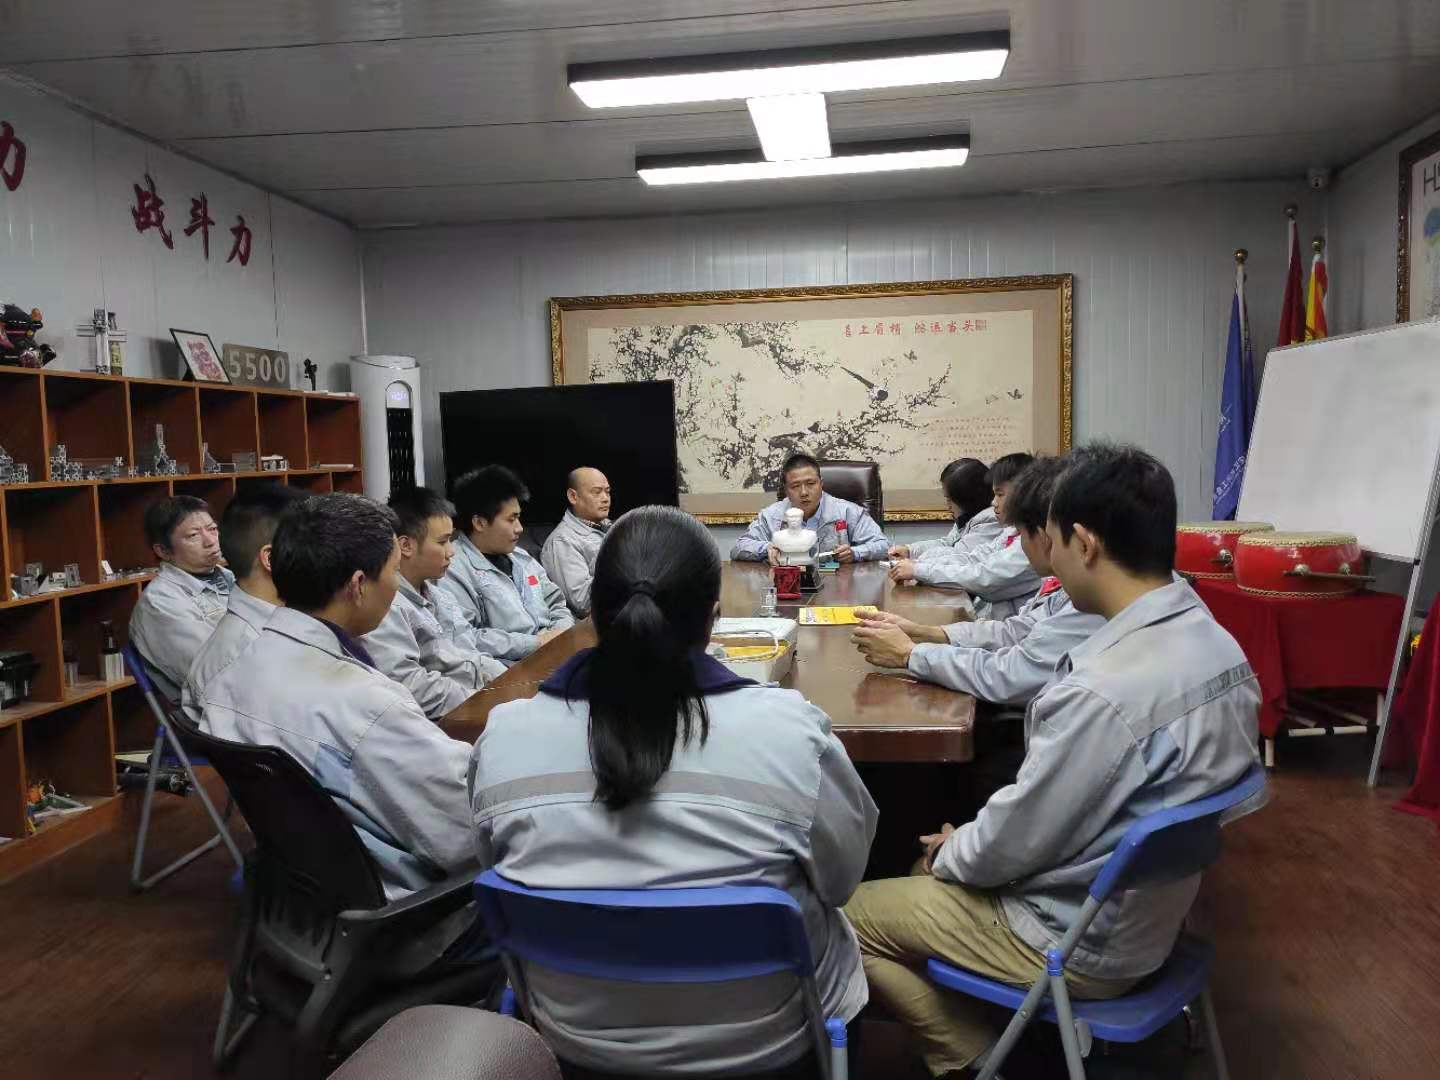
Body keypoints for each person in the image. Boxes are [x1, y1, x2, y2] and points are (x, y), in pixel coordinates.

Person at [843, 444, 1261, 1079]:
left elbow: (1014, 843)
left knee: (838, 920)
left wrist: (948, 853)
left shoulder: (1102, 691)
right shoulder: (1216, 644)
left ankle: (978, 1057)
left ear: (1084, 544)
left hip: (1076, 940)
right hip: (1154, 918)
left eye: (1049, 537)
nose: (1041, 556)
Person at [471, 506, 878, 1075]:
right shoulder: (791, 734)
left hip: (577, 1042)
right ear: (713, 620)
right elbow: (841, 881)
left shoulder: (504, 737)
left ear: (594, 615)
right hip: (773, 1044)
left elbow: (494, 864)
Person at [198, 493, 476, 899]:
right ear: (359, 585)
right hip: (404, 907)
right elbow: (465, 838)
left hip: (303, 892)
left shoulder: (230, 677)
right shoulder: (369, 703)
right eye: (394, 572)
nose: (396, 587)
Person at [853, 456, 1104, 706]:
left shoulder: (1088, 607)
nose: (1022, 545)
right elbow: (1014, 632)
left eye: (1024, 535)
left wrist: (910, 654)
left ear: (1083, 543)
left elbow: (1011, 675)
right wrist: (921, 631)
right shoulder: (1073, 593)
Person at [364, 486, 506, 720]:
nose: (451, 552)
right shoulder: (387, 606)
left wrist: (508, 679)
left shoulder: (440, 595)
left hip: (476, 698)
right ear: (405, 546)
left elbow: (470, 651)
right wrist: (484, 699)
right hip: (446, 717)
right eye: (443, 542)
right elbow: (410, 686)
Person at [181, 483, 307, 718]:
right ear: (271, 559)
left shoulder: (275, 627)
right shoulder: (249, 654)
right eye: (312, 547)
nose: (322, 558)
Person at [440, 465, 574, 664]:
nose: (519, 528)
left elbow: (556, 602)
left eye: (519, 518)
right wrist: (536, 643)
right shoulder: (452, 569)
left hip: (555, 654)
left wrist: (561, 633)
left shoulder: (522, 558)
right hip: (510, 668)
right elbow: (467, 637)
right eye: (511, 520)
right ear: (479, 523)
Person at [889, 452, 1041, 619]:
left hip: (1002, 625)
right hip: (990, 621)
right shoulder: (1011, 531)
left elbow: (984, 577)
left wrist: (919, 569)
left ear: (1024, 495)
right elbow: (973, 557)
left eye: (1000, 494)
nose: (993, 502)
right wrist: (917, 563)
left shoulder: (1031, 542)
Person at [129, 495, 233, 700]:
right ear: (163, 551)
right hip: (218, 708)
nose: (211, 541)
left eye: (212, 529)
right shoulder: (159, 602)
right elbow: (212, 673)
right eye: (193, 535)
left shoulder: (228, 577)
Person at [731, 452, 889, 564]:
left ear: (821, 484)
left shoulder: (847, 512)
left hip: (837, 588)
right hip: (789, 585)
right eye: (795, 486)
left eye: (811, 484)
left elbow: (883, 545)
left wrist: (854, 553)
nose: (804, 493)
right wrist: (767, 549)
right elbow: (738, 548)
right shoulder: (771, 515)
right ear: (786, 490)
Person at [889, 458, 1002, 562]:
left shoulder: (991, 520)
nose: (948, 505)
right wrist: (909, 550)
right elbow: (948, 543)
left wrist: (916, 563)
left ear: (966, 498)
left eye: (949, 499)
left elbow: (958, 555)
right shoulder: (967, 516)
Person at [540, 466, 611, 617]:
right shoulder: (562, 541)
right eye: (597, 492)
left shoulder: (611, 528)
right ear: (573, 496)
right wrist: (624, 568)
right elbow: (584, 603)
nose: (605, 498)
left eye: (607, 491)